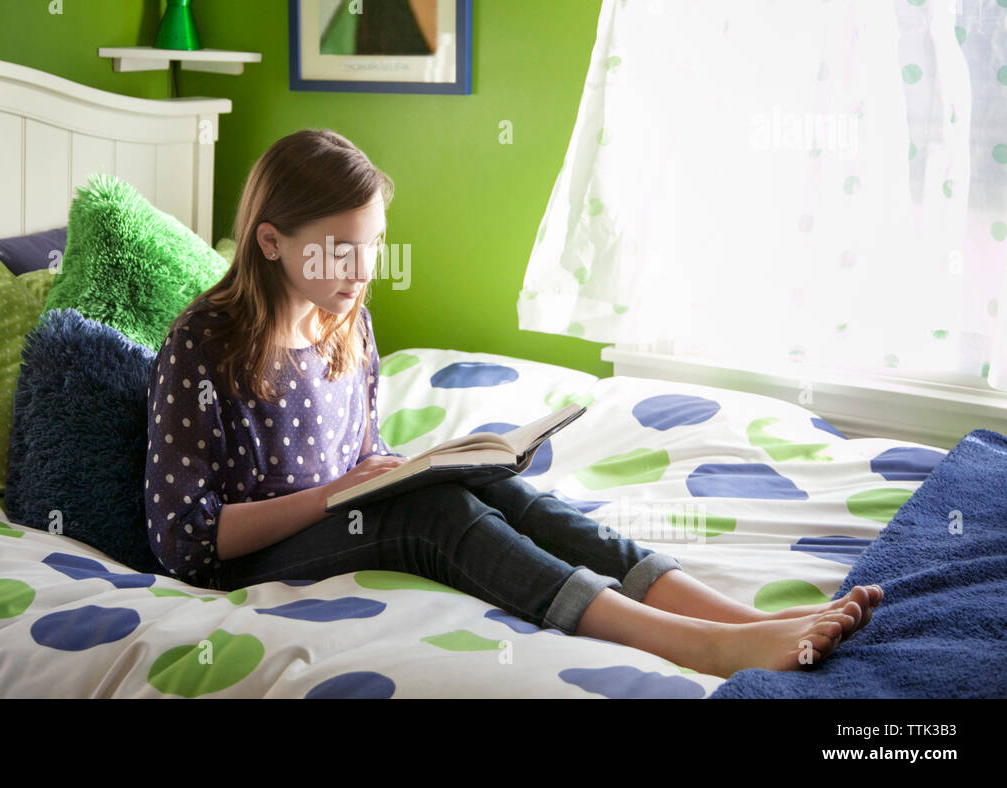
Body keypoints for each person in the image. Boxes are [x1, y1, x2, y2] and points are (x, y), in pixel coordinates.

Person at [143, 128, 883, 679]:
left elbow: (357, 449)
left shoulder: (346, 314)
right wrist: (340, 495)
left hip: (339, 511)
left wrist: (401, 468)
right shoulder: (202, 346)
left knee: (491, 487)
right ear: (271, 243)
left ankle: (740, 619)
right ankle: (692, 645)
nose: (363, 272)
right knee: (436, 518)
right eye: (341, 249)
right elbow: (186, 540)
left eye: (373, 247)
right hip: (246, 559)